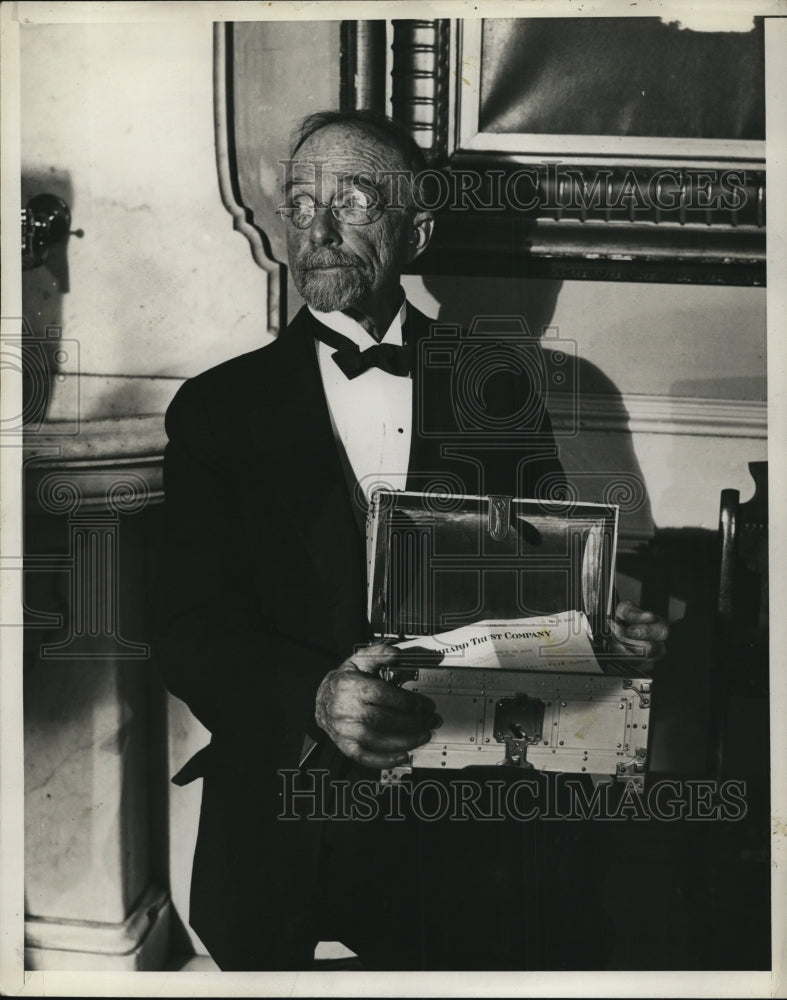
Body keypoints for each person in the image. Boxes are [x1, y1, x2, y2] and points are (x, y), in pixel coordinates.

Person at [155, 109, 668, 971]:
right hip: (287, 815)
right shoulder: (214, 409)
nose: (317, 230)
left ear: (417, 230)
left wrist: (598, 636)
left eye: (351, 201)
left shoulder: (496, 389)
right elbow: (185, 629)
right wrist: (314, 698)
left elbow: (537, 591)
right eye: (300, 203)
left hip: (460, 815)